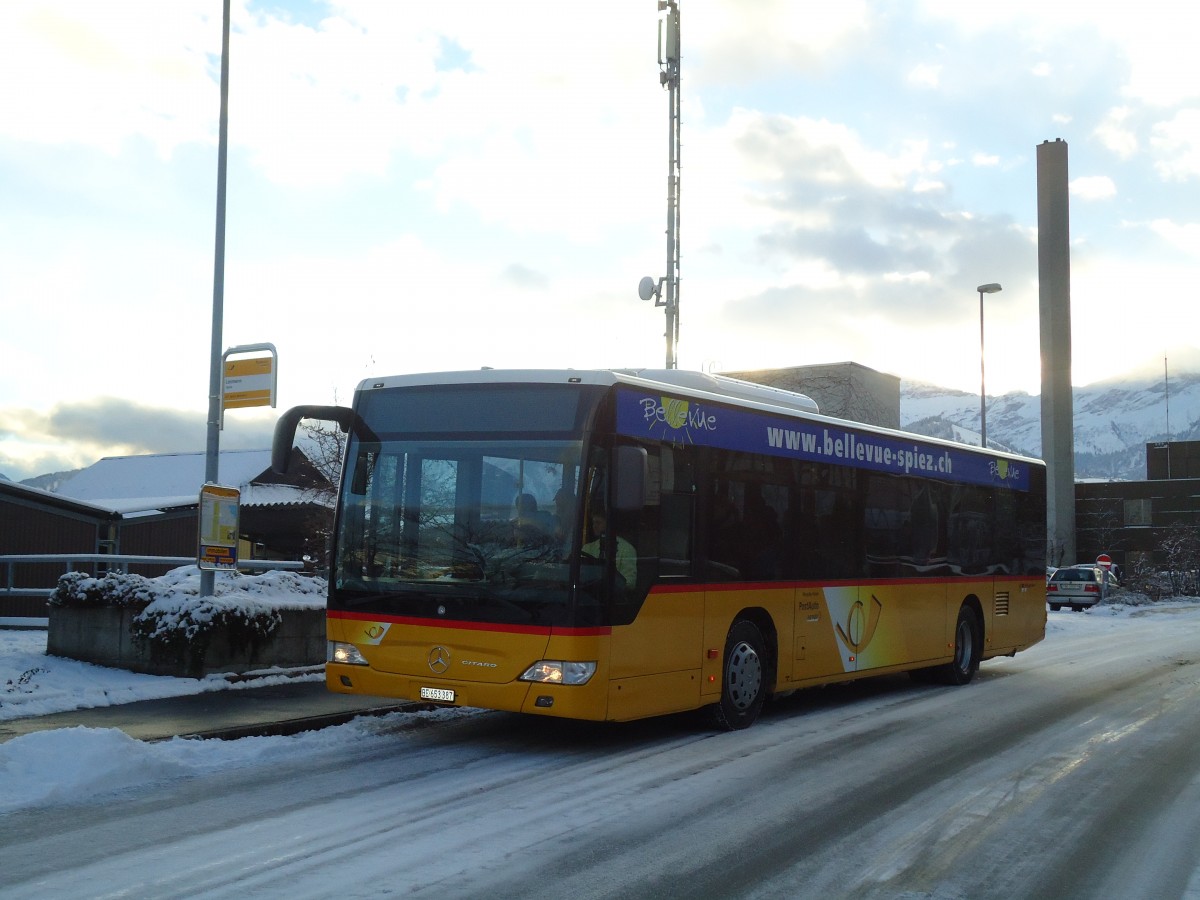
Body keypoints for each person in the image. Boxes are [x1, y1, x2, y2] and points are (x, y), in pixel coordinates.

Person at [581, 509, 636, 587]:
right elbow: (580, 575)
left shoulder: (626, 549)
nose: (594, 526)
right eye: (593, 523)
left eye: (598, 523)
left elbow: (630, 583)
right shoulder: (587, 548)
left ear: (609, 524)